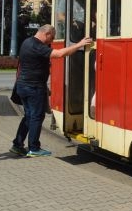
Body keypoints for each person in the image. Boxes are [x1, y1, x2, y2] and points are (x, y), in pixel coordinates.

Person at [11, 25, 92, 157]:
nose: (52, 41)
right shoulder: (37, 45)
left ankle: (17, 145)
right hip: (33, 87)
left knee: (29, 116)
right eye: (52, 37)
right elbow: (60, 54)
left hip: (23, 85)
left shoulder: (27, 42)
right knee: (37, 116)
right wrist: (80, 44)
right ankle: (34, 148)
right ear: (46, 33)